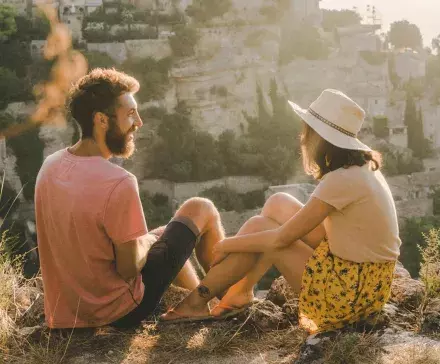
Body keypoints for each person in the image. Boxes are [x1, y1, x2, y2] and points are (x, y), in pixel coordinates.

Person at [160, 89, 402, 334]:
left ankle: (198, 301)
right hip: (367, 283)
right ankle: (238, 293)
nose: (302, 136)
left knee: (263, 229)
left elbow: (280, 239)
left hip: (348, 298)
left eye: (307, 129)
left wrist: (227, 245)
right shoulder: (361, 169)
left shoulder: (342, 179)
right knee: (278, 203)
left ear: (319, 137)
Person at [34, 68, 226, 329]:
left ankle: (199, 305)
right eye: (130, 114)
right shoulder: (119, 182)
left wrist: (148, 239)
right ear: (102, 120)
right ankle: (229, 301)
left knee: (161, 236)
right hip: (117, 311)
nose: (139, 122)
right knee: (201, 208)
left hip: (67, 315)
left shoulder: (49, 166)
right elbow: (129, 269)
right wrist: (147, 240)